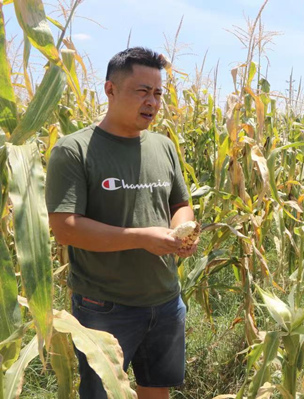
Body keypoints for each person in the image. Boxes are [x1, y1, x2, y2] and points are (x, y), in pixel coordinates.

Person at [46, 47, 197, 399]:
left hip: (165, 298)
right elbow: (65, 227)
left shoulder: (163, 146)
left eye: (158, 93)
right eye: (142, 91)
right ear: (110, 90)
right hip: (105, 306)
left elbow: (181, 204)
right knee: (103, 393)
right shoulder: (74, 150)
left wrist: (184, 231)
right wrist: (141, 237)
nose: (153, 101)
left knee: (157, 388)